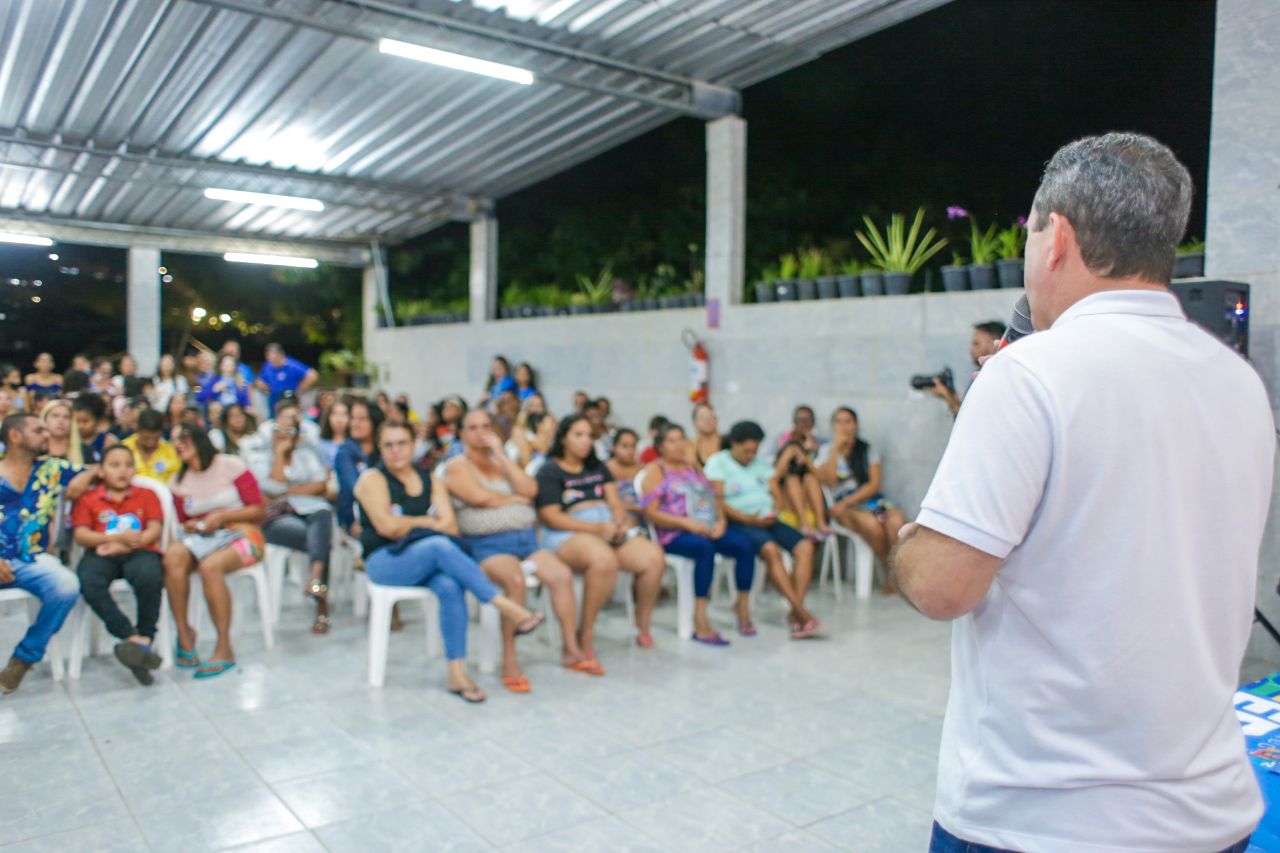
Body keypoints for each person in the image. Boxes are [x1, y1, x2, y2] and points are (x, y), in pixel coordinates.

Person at [890, 133, 1273, 853]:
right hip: (1208, 811)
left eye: (1028, 234)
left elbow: (942, 587)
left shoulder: (1030, 372)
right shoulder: (1238, 382)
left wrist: (911, 540)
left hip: (1042, 817)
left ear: (1055, 237)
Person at [356, 420, 544, 703]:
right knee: (437, 544)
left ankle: (457, 674)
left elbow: (451, 526)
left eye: (402, 443)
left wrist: (412, 524)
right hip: (385, 561)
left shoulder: (430, 479)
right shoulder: (372, 479)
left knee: (449, 583)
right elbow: (387, 528)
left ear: (413, 445)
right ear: (380, 448)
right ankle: (504, 605)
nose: (396, 451)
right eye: (388, 445)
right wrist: (428, 522)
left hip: (426, 559)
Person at [444, 409, 594, 688]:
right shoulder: (456, 466)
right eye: (473, 427)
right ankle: (510, 660)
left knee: (560, 575)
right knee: (515, 581)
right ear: (462, 433)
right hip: (487, 545)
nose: (480, 433)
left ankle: (571, 650)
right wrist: (515, 499)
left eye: (486, 426)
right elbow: (480, 498)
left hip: (526, 541)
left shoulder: (502, 461)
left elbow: (531, 490)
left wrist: (501, 456)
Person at [536, 416, 665, 649]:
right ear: (564, 438)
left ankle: (642, 623)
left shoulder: (598, 467)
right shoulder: (549, 471)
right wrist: (595, 529)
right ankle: (584, 632)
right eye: (578, 435)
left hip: (606, 528)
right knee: (603, 560)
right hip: (567, 532)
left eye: (589, 436)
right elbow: (550, 516)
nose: (586, 441)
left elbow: (615, 501)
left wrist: (620, 523)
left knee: (653, 557)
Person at [0, 413, 96, 693]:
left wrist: (86, 475)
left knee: (66, 585)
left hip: (30, 558)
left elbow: (98, 468)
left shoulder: (51, 468)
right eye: (38, 429)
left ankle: (23, 659)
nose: (46, 434)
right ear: (15, 436)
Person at [163, 423, 266, 679]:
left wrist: (221, 516)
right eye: (174, 441)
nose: (178, 445)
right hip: (202, 538)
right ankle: (185, 634)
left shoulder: (231, 466)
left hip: (243, 535)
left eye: (183, 439)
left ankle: (223, 647)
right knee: (173, 557)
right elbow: (179, 520)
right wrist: (193, 525)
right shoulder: (178, 481)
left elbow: (258, 509)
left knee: (211, 566)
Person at [639, 423, 757, 645]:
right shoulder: (656, 470)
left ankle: (741, 605)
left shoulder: (692, 467)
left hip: (705, 527)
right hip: (674, 533)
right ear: (660, 446)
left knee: (744, 545)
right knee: (705, 548)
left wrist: (720, 521)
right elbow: (650, 513)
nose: (678, 445)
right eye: (671, 440)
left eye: (681, 439)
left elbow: (712, 498)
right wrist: (686, 523)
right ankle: (699, 616)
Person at [705, 421, 820, 638]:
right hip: (738, 522)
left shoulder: (760, 464)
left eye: (754, 450)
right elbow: (718, 502)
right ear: (733, 444)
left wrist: (774, 508)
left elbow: (774, 491)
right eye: (746, 450)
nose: (751, 455)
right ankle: (801, 613)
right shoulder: (717, 463)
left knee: (805, 546)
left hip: (766, 520)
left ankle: (797, 611)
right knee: (770, 550)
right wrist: (749, 518)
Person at [70, 445, 165, 685]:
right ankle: (133, 639)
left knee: (149, 576)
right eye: (114, 465)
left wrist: (124, 545)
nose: (122, 470)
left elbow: (154, 528)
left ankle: (146, 634)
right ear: (101, 471)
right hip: (101, 553)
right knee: (88, 581)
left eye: (128, 464)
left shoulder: (146, 494)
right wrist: (112, 540)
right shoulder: (89, 498)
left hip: (139, 550)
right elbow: (81, 535)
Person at [253, 408, 334, 635]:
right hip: (277, 520)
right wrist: (280, 455)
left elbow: (321, 486)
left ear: (297, 436)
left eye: (288, 430)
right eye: (277, 430)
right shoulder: (261, 459)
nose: (281, 434)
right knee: (321, 541)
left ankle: (316, 579)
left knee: (322, 517)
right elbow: (272, 488)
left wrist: (285, 492)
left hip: (313, 513)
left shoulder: (306, 456)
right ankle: (321, 603)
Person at [817, 407, 907, 574]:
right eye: (838, 421)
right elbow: (829, 481)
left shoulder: (867, 449)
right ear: (833, 426)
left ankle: (898, 572)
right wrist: (835, 450)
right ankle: (891, 572)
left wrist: (847, 502)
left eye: (848, 421)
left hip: (869, 498)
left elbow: (874, 484)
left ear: (856, 425)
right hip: (842, 506)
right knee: (871, 525)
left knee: (897, 521)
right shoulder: (825, 451)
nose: (843, 426)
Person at [772, 405, 831, 539]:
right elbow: (775, 475)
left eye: (807, 419)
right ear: (794, 422)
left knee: (810, 478)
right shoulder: (785, 442)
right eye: (800, 419)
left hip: (811, 499)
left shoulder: (821, 444)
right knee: (792, 479)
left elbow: (823, 478)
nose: (803, 423)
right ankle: (804, 523)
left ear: (813, 422)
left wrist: (808, 456)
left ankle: (821, 523)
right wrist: (790, 453)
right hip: (787, 499)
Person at [926, 321, 1005, 416]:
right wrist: (951, 397)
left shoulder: (995, 377)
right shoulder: (982, 373)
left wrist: (950, 400)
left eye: (976, 343)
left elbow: (972, 423)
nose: (971, 349)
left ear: (995, 343)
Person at [335, 397, 382, 534]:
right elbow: (355, 487)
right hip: (354, 519)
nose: (354, 423)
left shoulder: (383, 449)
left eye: (362, 419)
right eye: (353, 418)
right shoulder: (346, 451)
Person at [122, 409, 181, 485]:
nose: (150, 443)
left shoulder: (171, 453)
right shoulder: (124, 449)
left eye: (155, 438)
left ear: (161, 433)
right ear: (138, 430)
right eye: (146, 438)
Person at [255, 343, 317, 411]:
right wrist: (267, 388)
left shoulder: (292, 365)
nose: (272, 360)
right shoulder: (268, 366)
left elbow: (312, 375)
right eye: (269, 357)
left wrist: (299, 390)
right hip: (275, 402)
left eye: (274, 357)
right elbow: (259, 381)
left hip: (290, 401)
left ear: (281, 354)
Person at [606, 428, 645, 521]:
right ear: (614, 447)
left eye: (633, 446)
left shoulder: (643, 469)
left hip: (644, 515)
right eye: (624, 446)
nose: (630, 450)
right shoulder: (605, 469)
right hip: (616, 516)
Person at [72, 394, 116, 464]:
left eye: (85, 421)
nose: (80, 426)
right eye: (77, 421)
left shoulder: (108, 441)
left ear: (97, 421)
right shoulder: (69, 439)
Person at [40, 399, 81, 464]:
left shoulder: (83, 449)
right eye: (55, 416)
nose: (61, 421)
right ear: (45, 420)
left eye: (66, 417)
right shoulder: (35, 448)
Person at [317, 397, 350, 470]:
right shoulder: (320, 445)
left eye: (344, 414)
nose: (339, 419)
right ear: (328, 417)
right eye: (335, 414)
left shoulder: (354, 445)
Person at [686, 404, 721, 470]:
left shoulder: (726, 441)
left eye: (710, 415)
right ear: (694, 422)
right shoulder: (690, 445)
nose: (707, 420)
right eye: (702, 417)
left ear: (716, 419)